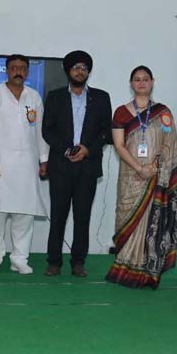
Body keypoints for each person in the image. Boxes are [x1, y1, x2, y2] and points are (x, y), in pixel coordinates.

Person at [105, 66, 177, 289]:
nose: (141, 83)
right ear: (131, 83)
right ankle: (126, 267)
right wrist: (138, 167)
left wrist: (155, 166)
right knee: (127, 217)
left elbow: (170, 142)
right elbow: (118, 145)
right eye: (137, 80)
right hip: (130, 175)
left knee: (152, 223)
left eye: (145, 79)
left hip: (156, 174)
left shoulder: (163, 112)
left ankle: (149, 270)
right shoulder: (121, 112)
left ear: (152, 82)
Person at [0, 54, 49, 274]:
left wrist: (44, 160)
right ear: (7, 70)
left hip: (27, 164)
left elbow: (40, 132)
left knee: (24, 214)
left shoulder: (34, 97)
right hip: (0, 164)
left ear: (27, 72)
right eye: (14, 68)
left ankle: (20, 259)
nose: (18, 71)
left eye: (23, 68)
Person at [42, 50, 112, 277]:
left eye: (84, 68)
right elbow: (47, 130)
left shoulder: (101, 98)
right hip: (61, 166)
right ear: (67, 71)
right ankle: (54, 262)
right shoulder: (55, 97)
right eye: (75, 67)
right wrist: (65, 149)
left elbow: (106, 131)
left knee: (82, 218)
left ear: (88, 72)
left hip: (87, 166)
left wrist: (87, 149)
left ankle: (78, 262)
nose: (80, 71)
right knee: (58, 216)